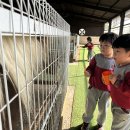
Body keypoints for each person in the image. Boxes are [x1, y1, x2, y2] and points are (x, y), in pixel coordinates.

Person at [81, 32, 118, 130]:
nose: (102, 47)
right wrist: (88, 72)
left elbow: (118, 75)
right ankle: (86, 122)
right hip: (93, 87)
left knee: (103, 109)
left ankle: (100, 124)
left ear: (114, 47)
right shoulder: (97, 57)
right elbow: (90, 68)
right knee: (89, 106)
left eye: (106, 45)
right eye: (101, 45)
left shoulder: (116, 61)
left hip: (107, 90)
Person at [109, 34, 130, 130]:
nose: (114, 55)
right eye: (113, 51)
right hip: (116, 101)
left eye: (117, 51)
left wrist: (116, 82)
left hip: (124, 108)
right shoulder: (119, 64)